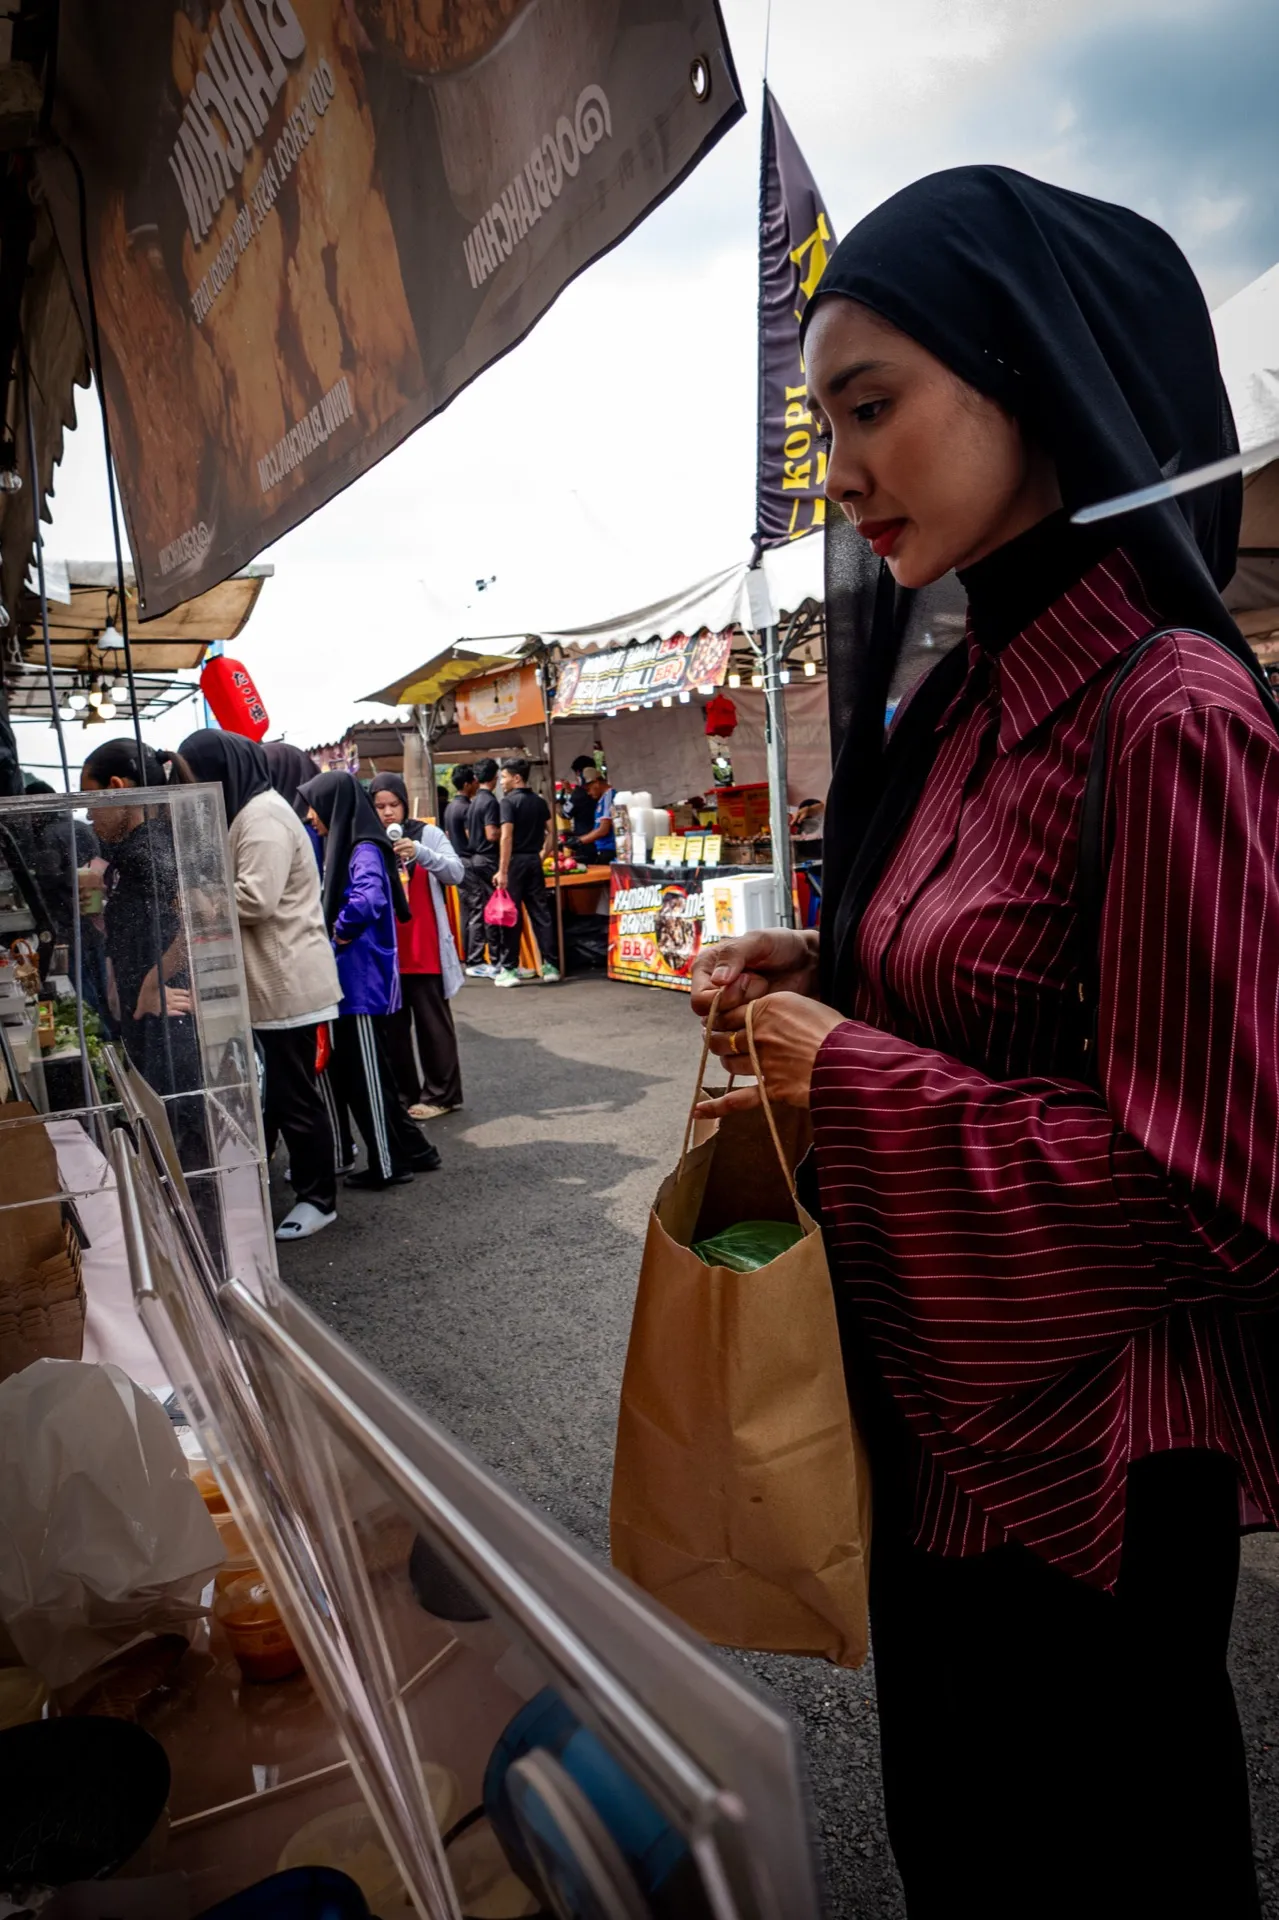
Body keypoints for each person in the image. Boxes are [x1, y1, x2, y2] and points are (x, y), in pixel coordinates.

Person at [690, 168, 1278, 1917]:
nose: (839, 468)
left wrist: (839, 1070)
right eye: (820, 425)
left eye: (870, 407)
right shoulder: (962, 701)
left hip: (1087, 1497)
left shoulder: (1167, 715)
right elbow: (999, 986)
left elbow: (1217, 1197)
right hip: (935, 1449)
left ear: (1021, 373)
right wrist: (836, 961)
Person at [179, 730, 342, 1241]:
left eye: (194, 775)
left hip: (287, 980)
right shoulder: (249, 814)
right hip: (270, 981)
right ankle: (286, 1185)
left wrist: (190, 897)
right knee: (276, 1095)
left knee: (295, 1097)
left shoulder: (263, 819)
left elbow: (255, 900)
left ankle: (319, 1199)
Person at [298, 769, 441, 1189]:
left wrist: (337, 932)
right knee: (373, 1073)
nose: (309, 816)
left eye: (313, 805)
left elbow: (369, 899)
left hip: (359, 981)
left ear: (333, 806)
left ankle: (388, 1164)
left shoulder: (361, 847)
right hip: (354, 978)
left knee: (369, 1080)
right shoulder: (350, 844)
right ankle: (416, 1151)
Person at [369, 772, 465, 1119]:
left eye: (393, 804)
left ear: (405, 803)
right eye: (379, 806)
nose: (387, 813)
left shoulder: (428, 834)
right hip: (388, 952)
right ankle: (404, 1095)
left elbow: (457, 873)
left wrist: (422, 853)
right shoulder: (368, 839)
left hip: (425, 948)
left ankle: (442, 1094)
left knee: (433, 1027)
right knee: (393, 1032)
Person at [492, 757, 558, 987]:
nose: (501, 782)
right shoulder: (540, 802)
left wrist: (503, 870)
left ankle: (510, 969)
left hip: (516, 862)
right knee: (541, 913)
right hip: (533, 861)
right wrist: (542, 855)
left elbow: (506, 836)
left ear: (516, 778)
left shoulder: (508, 803)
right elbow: (553, 832)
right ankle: (551, 965)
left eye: (504, 777)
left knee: (511, 915)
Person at [461, 756, 501, 975]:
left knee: (481, 910)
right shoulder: (490, 802)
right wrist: (508, 832)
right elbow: (491, 833)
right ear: (494, 778)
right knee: (494, 911)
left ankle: (477, 958)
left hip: (474, 859)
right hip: (488, 860)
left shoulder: (474, 801)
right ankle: (494, 960)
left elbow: (469, 832)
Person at [570, 770, 615, 861]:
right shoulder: (602, 799)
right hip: (602, 850)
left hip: (609, 850)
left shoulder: (609, 796)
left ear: (596, 783)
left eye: (588, 789)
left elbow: (603, 829)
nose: (588, 793)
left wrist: (580, 840)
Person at [443, 764, 476, 860]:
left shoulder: (449, 807)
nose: (476, 785)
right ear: (467, 785)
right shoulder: (467, 807)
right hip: (468, 860)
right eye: (474, 782)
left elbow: (447, 834)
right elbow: (470, 836)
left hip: (455, 858)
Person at [565, 755, 600, 840]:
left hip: (586, 840)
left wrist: (556, 804)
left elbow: (565, 813)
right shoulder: (602, 790)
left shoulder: (580, 792)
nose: (589, 793)